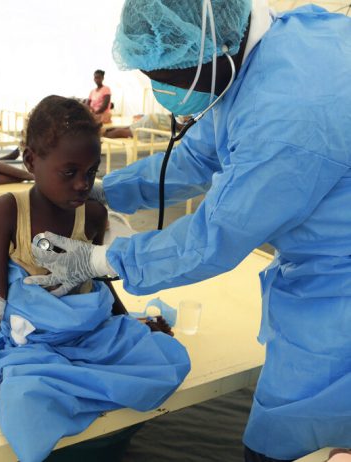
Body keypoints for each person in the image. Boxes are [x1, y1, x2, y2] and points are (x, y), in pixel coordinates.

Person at [26, 1, 351, 461]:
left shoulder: (288, 116)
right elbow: (195, 158)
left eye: (167, 74)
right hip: (325, 272)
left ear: (205, 50)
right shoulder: (266, 55)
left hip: (339, 297)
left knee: (287, 443)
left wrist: (100, 260)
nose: (160, 89)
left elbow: (213, 238)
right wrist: (103, 189)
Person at [0, 95, 190, 462]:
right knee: (24, 406)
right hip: (34, 334)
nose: (82, 184)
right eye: (69, 172)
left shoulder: (93, 214)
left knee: (167, 360)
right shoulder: (10, 210)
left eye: (91, 171)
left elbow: (99, 281)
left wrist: (129, 320)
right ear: (30, 161)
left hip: (86, 326)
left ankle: (82, 396)